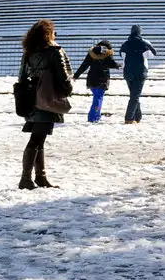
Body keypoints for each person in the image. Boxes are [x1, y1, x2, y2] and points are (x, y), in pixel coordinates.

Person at [17, 19, 72, 190]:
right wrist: (67, 90)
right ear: (49, 33)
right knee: (37, 139)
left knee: (39, 138)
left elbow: (21, 77)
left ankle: (40, 177)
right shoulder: (54, 51)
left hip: (31, 98)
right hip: (47, 98)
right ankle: (26, 179)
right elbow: (64, 76)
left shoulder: (29, 52)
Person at [118, 25, 157, 124]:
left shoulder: (125, 43)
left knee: (134, 94)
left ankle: (137, 117)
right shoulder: (144, 43)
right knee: (135, 96)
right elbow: (152, 55)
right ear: (140, 32)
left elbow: (122, 56)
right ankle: (129, 118)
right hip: (140, 72)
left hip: (128, 72)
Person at [74, 40, 118, 123]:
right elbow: (111, 64)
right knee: (98, 99)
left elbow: (84, 65)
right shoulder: (107, 53)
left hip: (92, 79)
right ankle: (93, 117)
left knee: (96, 98)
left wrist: (76, 75)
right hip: (102, 79)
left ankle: (94, 116)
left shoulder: (92, 53)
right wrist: (118, 65)